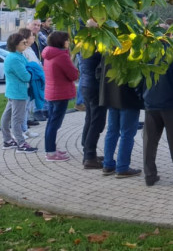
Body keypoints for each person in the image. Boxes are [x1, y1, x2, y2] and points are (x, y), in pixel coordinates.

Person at [142, 43, 173, 186]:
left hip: (151, 102)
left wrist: (144, 96)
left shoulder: (147, 51)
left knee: (149, 141)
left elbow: (140, 76)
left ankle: (149, 174)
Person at [43, 31, 79, 161]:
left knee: (51, 122)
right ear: (61, 42)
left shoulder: (49, 54)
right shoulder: (61, 56)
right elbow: (74, 75)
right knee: (54, 124)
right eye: (67, 40)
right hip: (60, 93)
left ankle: (50, 148)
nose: (69, 42)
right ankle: (51, 153)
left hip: (52, 93)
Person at [100, 71, 143, 177]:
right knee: (127, 134)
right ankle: (122, 167)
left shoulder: (106, 53)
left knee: (112, 131)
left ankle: (108, 164)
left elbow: (99, 72)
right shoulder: (133, 54)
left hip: (111, 95)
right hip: (129, 97)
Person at [1, 33, 36, 153]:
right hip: (18, 92)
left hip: (15, 91)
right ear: (15, 45)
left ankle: (7, 140)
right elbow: (26, 76)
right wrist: (33, 72)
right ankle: (21, 144)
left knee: (7, 116)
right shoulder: (14, 58)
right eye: (23, 43)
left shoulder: (18, 55)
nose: (26, 44)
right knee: (17, 119)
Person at [80, 20, 107, 169]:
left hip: (86, 85)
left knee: (90, 119)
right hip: (95, 86)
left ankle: (87, 151)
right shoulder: (96, 45)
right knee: (97, 121)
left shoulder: (84, 43)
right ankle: (89, 156)